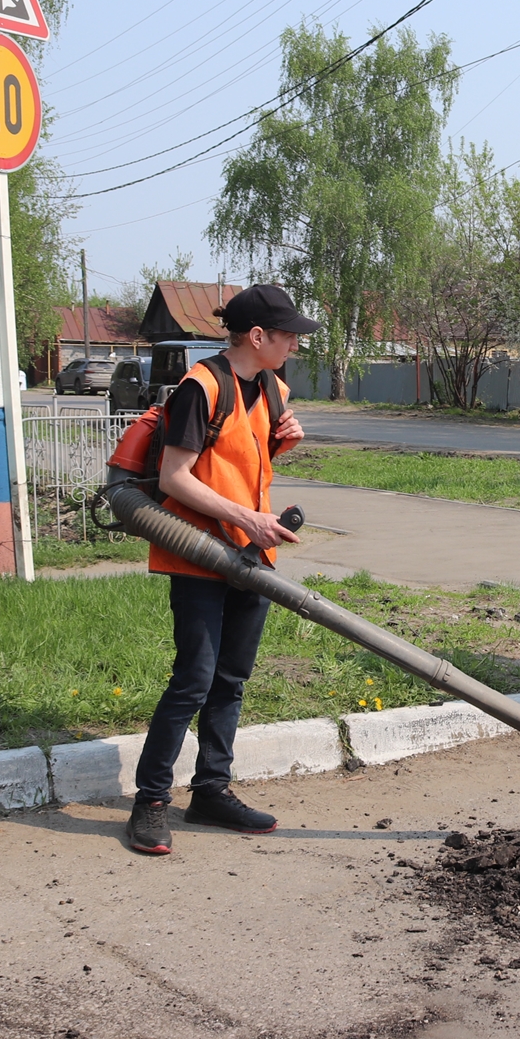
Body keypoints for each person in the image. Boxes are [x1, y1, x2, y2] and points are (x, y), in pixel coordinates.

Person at [126, 284, 315, 854]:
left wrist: (284, 442)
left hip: (250, 557)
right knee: (194, 680)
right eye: (288, 337)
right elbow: (174, 479)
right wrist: (246, 518)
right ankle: (151, 801)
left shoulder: (272, 390)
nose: (294, 347)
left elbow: (235, 460)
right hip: (199, 553)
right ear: (257, 337)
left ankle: (211, 791)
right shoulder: (201, 387)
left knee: (231, 680)